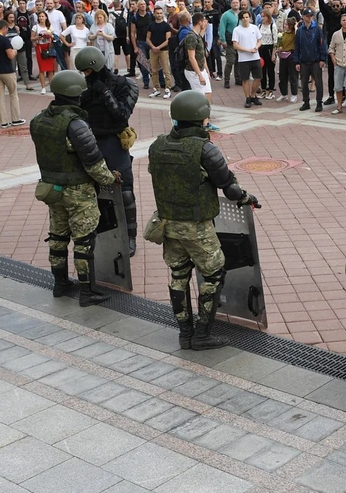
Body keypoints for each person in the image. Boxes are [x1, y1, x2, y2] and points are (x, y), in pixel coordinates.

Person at [147, 90, 260, 350]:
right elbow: (228, 186)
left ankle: (184, 333)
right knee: (214, 274)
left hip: (166, 223)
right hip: (196, 226)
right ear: (202, 119)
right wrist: (246, 197)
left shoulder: (158, 145)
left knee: (178, 275)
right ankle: (202, 334)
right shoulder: (205, 149)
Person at [31, 70, 118, 306]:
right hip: (78, 191)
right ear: (75, 94)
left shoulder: (39, 120)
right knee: (84, 241)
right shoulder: (75, 124)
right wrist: (109, 179)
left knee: (57, 237)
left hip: (51, 189)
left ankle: (60, 284)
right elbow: (93, 161)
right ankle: (87, 292)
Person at [75, 47, 140, 255]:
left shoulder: (124, 84)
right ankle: (99, 233)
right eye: (82, 72)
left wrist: (103, 92)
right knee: (90, 190)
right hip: (90, 142)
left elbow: (121, 114)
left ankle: (130, 236)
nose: (86, 76)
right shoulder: (82, 87)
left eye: (88, 71)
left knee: (125, 191)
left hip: (113, 142)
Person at [0, 19, 25, 129]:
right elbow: (10, 56)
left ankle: (3, 121)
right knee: (13, 94)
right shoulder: (4, 40)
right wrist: (15, 51)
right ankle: (16, 119)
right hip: (7, 71)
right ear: (4, 28)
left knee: (0, 97)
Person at [293, 8, 328, 112]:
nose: (309, 18)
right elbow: (297, 47)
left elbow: (322, 44)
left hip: (315, 60)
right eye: (307, 16)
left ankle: (319, 102)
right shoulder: (299, 31)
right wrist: (297, 61)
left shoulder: (317, 29)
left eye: (311, 16)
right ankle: (306, 102)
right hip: (303, 61)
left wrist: (322, 59)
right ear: (303, 17)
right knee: (304, 83)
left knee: (318, 82)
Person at [233, 10, 263, 108]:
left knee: (258, 77)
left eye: (247, 17)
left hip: (255, 57)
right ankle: (247, 97)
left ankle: (253, 95)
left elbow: (259, 40)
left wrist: (256, 48)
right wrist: (247, 50)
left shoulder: (254, 27)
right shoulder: (237, 30)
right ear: (241, 19)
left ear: (250, 18)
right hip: (243, 59)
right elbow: (235, 45)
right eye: (243, 17)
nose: (245, 19)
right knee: (245, 79)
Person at [33, 12, 56, 94]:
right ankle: (43, 87)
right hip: (40, 47)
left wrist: (49, 34)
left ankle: (52, 86)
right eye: (40, 16)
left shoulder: (49, 26)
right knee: (42, 69)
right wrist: (38, 37)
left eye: (43, 16)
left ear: (46, 17)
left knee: (50, 69)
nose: (41, 18)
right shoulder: (35, 27)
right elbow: (32, 38)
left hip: (48, 47)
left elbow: (53, 36)